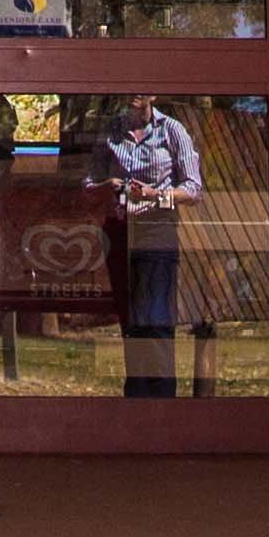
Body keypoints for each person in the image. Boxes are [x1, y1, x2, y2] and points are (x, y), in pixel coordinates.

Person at [91, 94, 205, 398]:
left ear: (152, 94)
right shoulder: (111, 131)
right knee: (131, 322)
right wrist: (110, 186)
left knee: (155, 320)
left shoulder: (171, 130)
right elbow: (90, 182)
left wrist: (157, 195)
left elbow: (193, 189)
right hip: (119, 231)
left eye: (140, 86)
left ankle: (162, 403)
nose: (132, 93)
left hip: (157, 230)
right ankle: (136, 402)